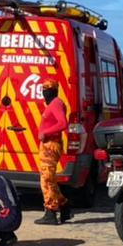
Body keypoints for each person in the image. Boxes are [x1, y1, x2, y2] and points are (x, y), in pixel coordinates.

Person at [33, 77, 71, 225]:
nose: (45, 93)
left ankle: (51, 211)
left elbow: (63, 123)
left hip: (51, 145)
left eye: (47, 90)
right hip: (47, 145)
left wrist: (46, 133)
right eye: (43, 90)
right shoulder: (53, 104)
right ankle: (63, 204)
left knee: (46, 179)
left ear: (54, 91)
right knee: (50, 179)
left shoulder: (56, 103)